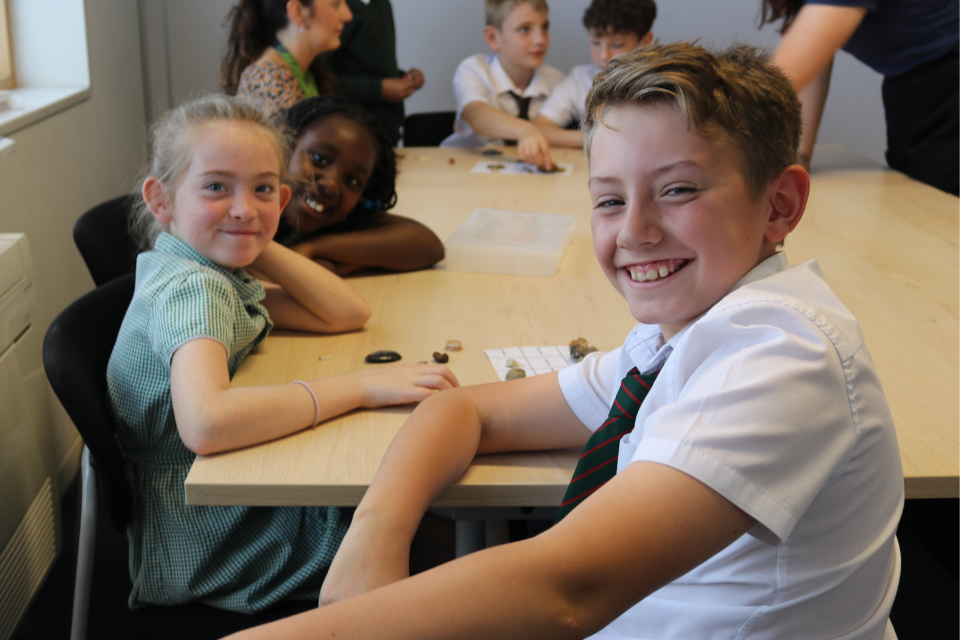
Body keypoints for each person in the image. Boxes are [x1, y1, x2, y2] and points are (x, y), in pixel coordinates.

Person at [226, 42, 904, 639]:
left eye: (677, 191)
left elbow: (568, 592)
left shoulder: (782, 354)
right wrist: (374, 533)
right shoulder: (671, 339)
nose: (634, 230)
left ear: (779, 206)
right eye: (610, 199)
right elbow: (465, 409)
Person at [107, 94, 458, 612]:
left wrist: (252, 231)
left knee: (405, 507)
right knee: (424, 529)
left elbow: (344, 312)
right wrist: (361, 388)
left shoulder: (206, 270)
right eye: (216, 187)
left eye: (264, 188)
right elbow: (205, 423)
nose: (243, 205)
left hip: (209, 506)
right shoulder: (194, 292)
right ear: (161, 202)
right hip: (207, 537)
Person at [763, 0, 959, 195]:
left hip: (950, 78)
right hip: (908, 85)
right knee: (908, 203)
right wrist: (800, 156)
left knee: (934, 209)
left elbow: (770, 89)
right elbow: (816, 55)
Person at [275, 95, 445, 276]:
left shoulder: (340, 220)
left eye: (352, 180)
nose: (331, 184)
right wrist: (332, 266)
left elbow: (428, 245)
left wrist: (314, 247)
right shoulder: (248, 206)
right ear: (287, 147)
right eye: (319, 158)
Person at [440, 0, 565, 170]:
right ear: (493, 38)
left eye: (544, 27)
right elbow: (476, 115)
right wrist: (524, 129)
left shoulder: (558, 81)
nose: (540, 40)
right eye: (524, 29)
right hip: (460, 169)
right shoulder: (473, 69)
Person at [533, 0, 655, 149]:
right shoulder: (580, 79)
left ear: (645, 40)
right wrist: (597, 137)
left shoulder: (658, 81)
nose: (604, 55)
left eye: (617, 45)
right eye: (596, 42)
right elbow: (540, 128)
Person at [318, 0, 425, 146]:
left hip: (386, 128)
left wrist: (404, 78)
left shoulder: (382, 4)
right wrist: (380, 89)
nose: (346, 15)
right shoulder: (335, 8)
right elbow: (324, 79)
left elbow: (372, 64)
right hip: (354, 129)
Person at [221, 0, 353, 115]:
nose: (348, 15)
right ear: (297, 12)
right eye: (335, 4)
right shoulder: (269, 81)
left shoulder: (306, 70)